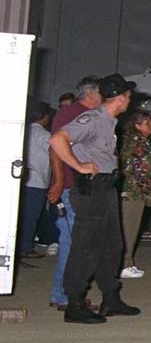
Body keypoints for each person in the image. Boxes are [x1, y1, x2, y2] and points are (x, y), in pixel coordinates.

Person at [48, 74, 142, 324]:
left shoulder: (110, 122)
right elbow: (57, 139)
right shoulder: (92, 119)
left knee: (112, 246)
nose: (130, 101)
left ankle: (110, 299)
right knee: (86, 247)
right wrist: (77, 166)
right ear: (120, 98)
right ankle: (74, 304)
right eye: (129, 97)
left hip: (106, 188)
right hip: (92, 191)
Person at [47, 76, 101, 311]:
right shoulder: (74, 114)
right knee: (71, 241)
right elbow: (55, 147)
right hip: (70, 187)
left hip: (75, 186)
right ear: (92, 94)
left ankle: (63, 292)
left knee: (74, 241)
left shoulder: (81, 115)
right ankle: (63, 294)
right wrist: (59, 181)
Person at [118, 111, 151, 279]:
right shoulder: (137, 143)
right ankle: (124, 263)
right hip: (134, 192)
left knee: (130, 227)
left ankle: (126, 261)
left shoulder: (137, 141)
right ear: (137, 125)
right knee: (129, 228)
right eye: (148, 123)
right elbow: (140, 169)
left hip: (135, 191)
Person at [19, 101, 56, 259]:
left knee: (22, 215)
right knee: (31, 216)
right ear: (45, 117)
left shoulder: (23, 132)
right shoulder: (46, 136)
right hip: (38, 181)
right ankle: (25, 247)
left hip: (22, 180)